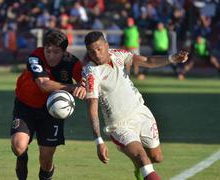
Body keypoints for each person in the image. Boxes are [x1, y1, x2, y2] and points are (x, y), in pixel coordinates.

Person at [82, 31, 188, 180]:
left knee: (157, 157)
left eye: (99, 49)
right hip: (119, 125)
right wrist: (98, 141)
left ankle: (140, 170)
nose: (97, 54)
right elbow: (92, 108)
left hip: (140, 112)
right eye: (92, 51)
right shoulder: (91, 72)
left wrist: (172, 58)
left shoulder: (118, 54)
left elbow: (148, 61)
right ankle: (142, 167)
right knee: (142, 157)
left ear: (107, 45)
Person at [10, 29, 86, 180]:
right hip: (26, 106)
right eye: (48, 50)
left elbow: (85, 82)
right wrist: (72, 88)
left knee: (46, 160)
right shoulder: (35, 57)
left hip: (52, 112)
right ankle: (22, 158)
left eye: (56, 52)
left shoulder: (72, 63)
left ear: (64, 52)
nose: (51, 55)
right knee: (19, 147)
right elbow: (43, 84)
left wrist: (84, 87)